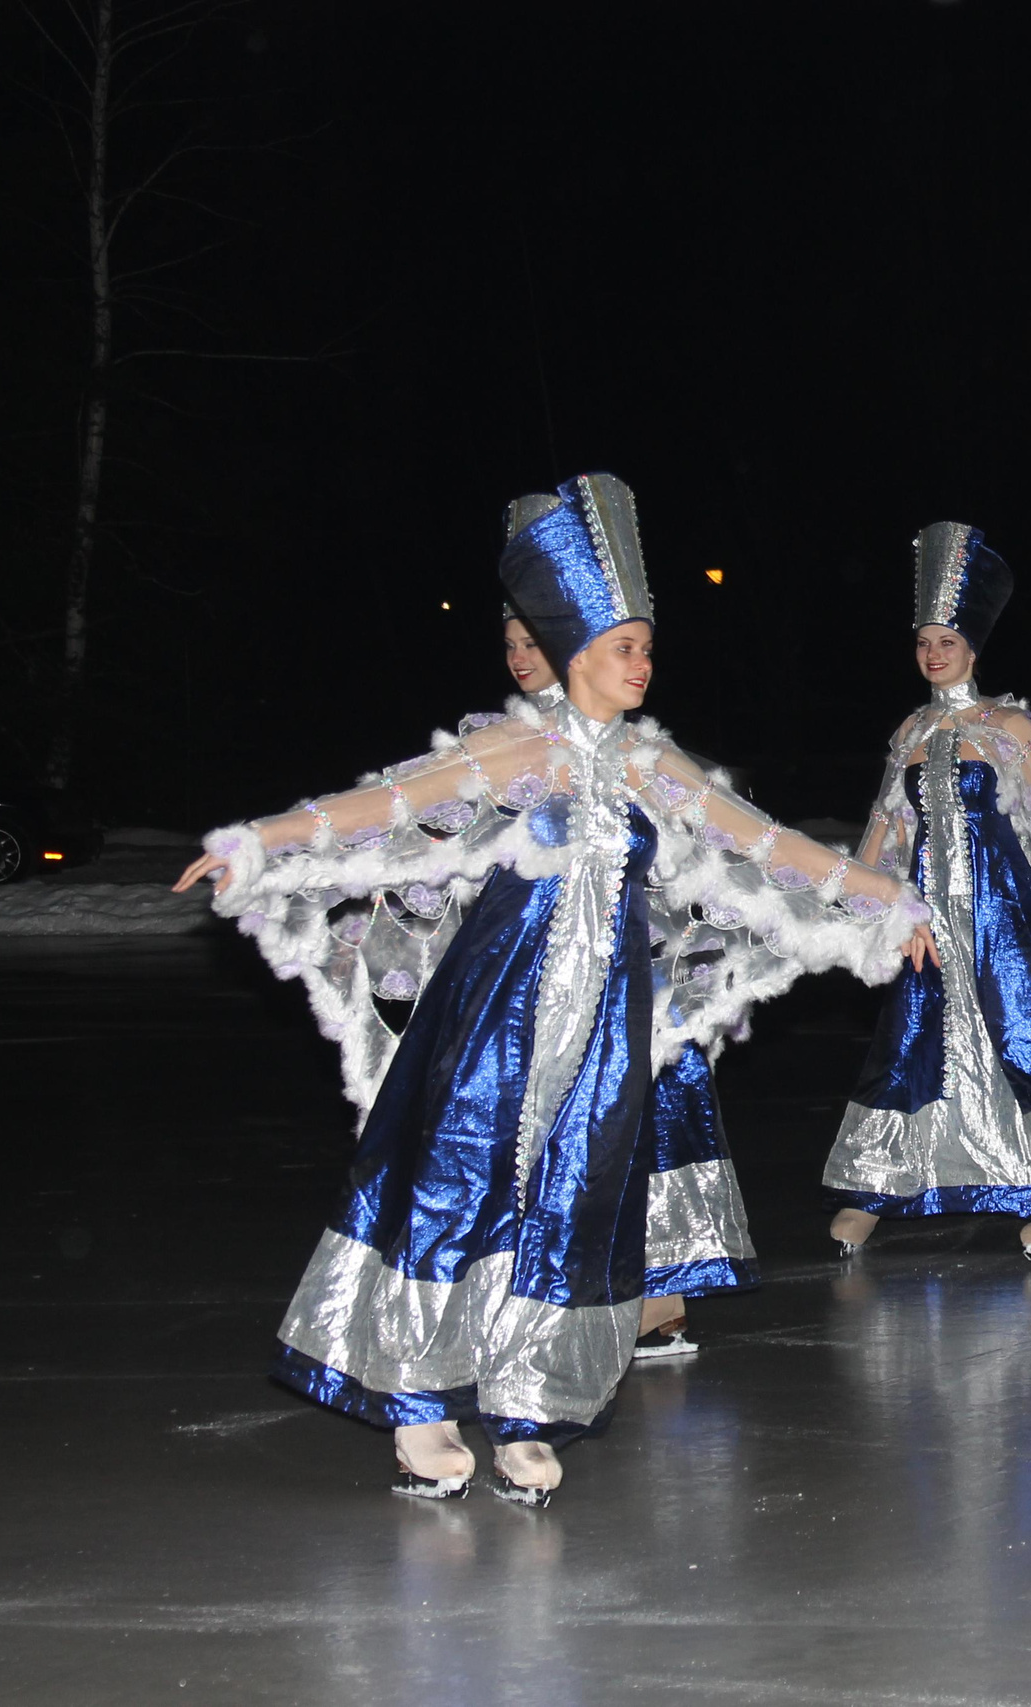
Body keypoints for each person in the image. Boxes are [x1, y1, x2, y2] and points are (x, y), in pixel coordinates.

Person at [175, 474, 934, 1506]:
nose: (643, 664)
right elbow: (380, 806)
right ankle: (421, 1402)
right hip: (496, 1008)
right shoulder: (515, 749)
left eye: (647, 647)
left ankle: (529, 1405)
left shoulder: (653, 766)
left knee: (575, 1198)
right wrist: (257, 843)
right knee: (458, 1184)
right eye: (626, 646)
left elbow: (764, 845)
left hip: (604, 1020)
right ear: (578, 652)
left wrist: (884, 895)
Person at [822, 522, 1031, 1262]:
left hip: (1002, 910)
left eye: (947, 642)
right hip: (927, 913)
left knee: (1030, 1033)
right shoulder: (910, 731)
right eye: (924, 643)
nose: (934, 655)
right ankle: (881, 1182)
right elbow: (887, 823)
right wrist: (853, 897)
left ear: (973, 648)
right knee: (914, 1038)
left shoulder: (1008, 726)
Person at [499, 607, 747, 1358]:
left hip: (628, 973)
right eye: (510, 645)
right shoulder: (502, 743)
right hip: (531, 975)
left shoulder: (633, 749)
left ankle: (656, 1296)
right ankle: (532, 1300)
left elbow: (702, 846)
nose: (521, 657)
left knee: (648, 1113)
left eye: (534, 642)